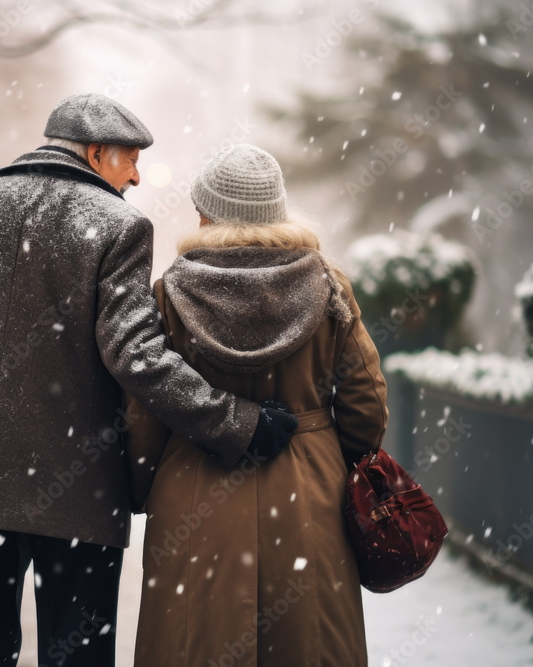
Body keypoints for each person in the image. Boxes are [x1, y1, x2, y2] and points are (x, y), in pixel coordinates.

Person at [0, 96, 298, 667]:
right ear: (95, 152)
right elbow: (137, 357)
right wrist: (238, 423)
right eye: (130, 159)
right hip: (76, 497)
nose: (136, 175)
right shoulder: (120, 226)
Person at [127, 144, 388, 667]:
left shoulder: (171, 291)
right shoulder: (327, 285)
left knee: (194, 639)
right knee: (310, 641)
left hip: (195, 487)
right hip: (309, 492)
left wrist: (142, 484)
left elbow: (146, 409)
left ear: (212, 213)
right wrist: (345, 464)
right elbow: (365, 399)